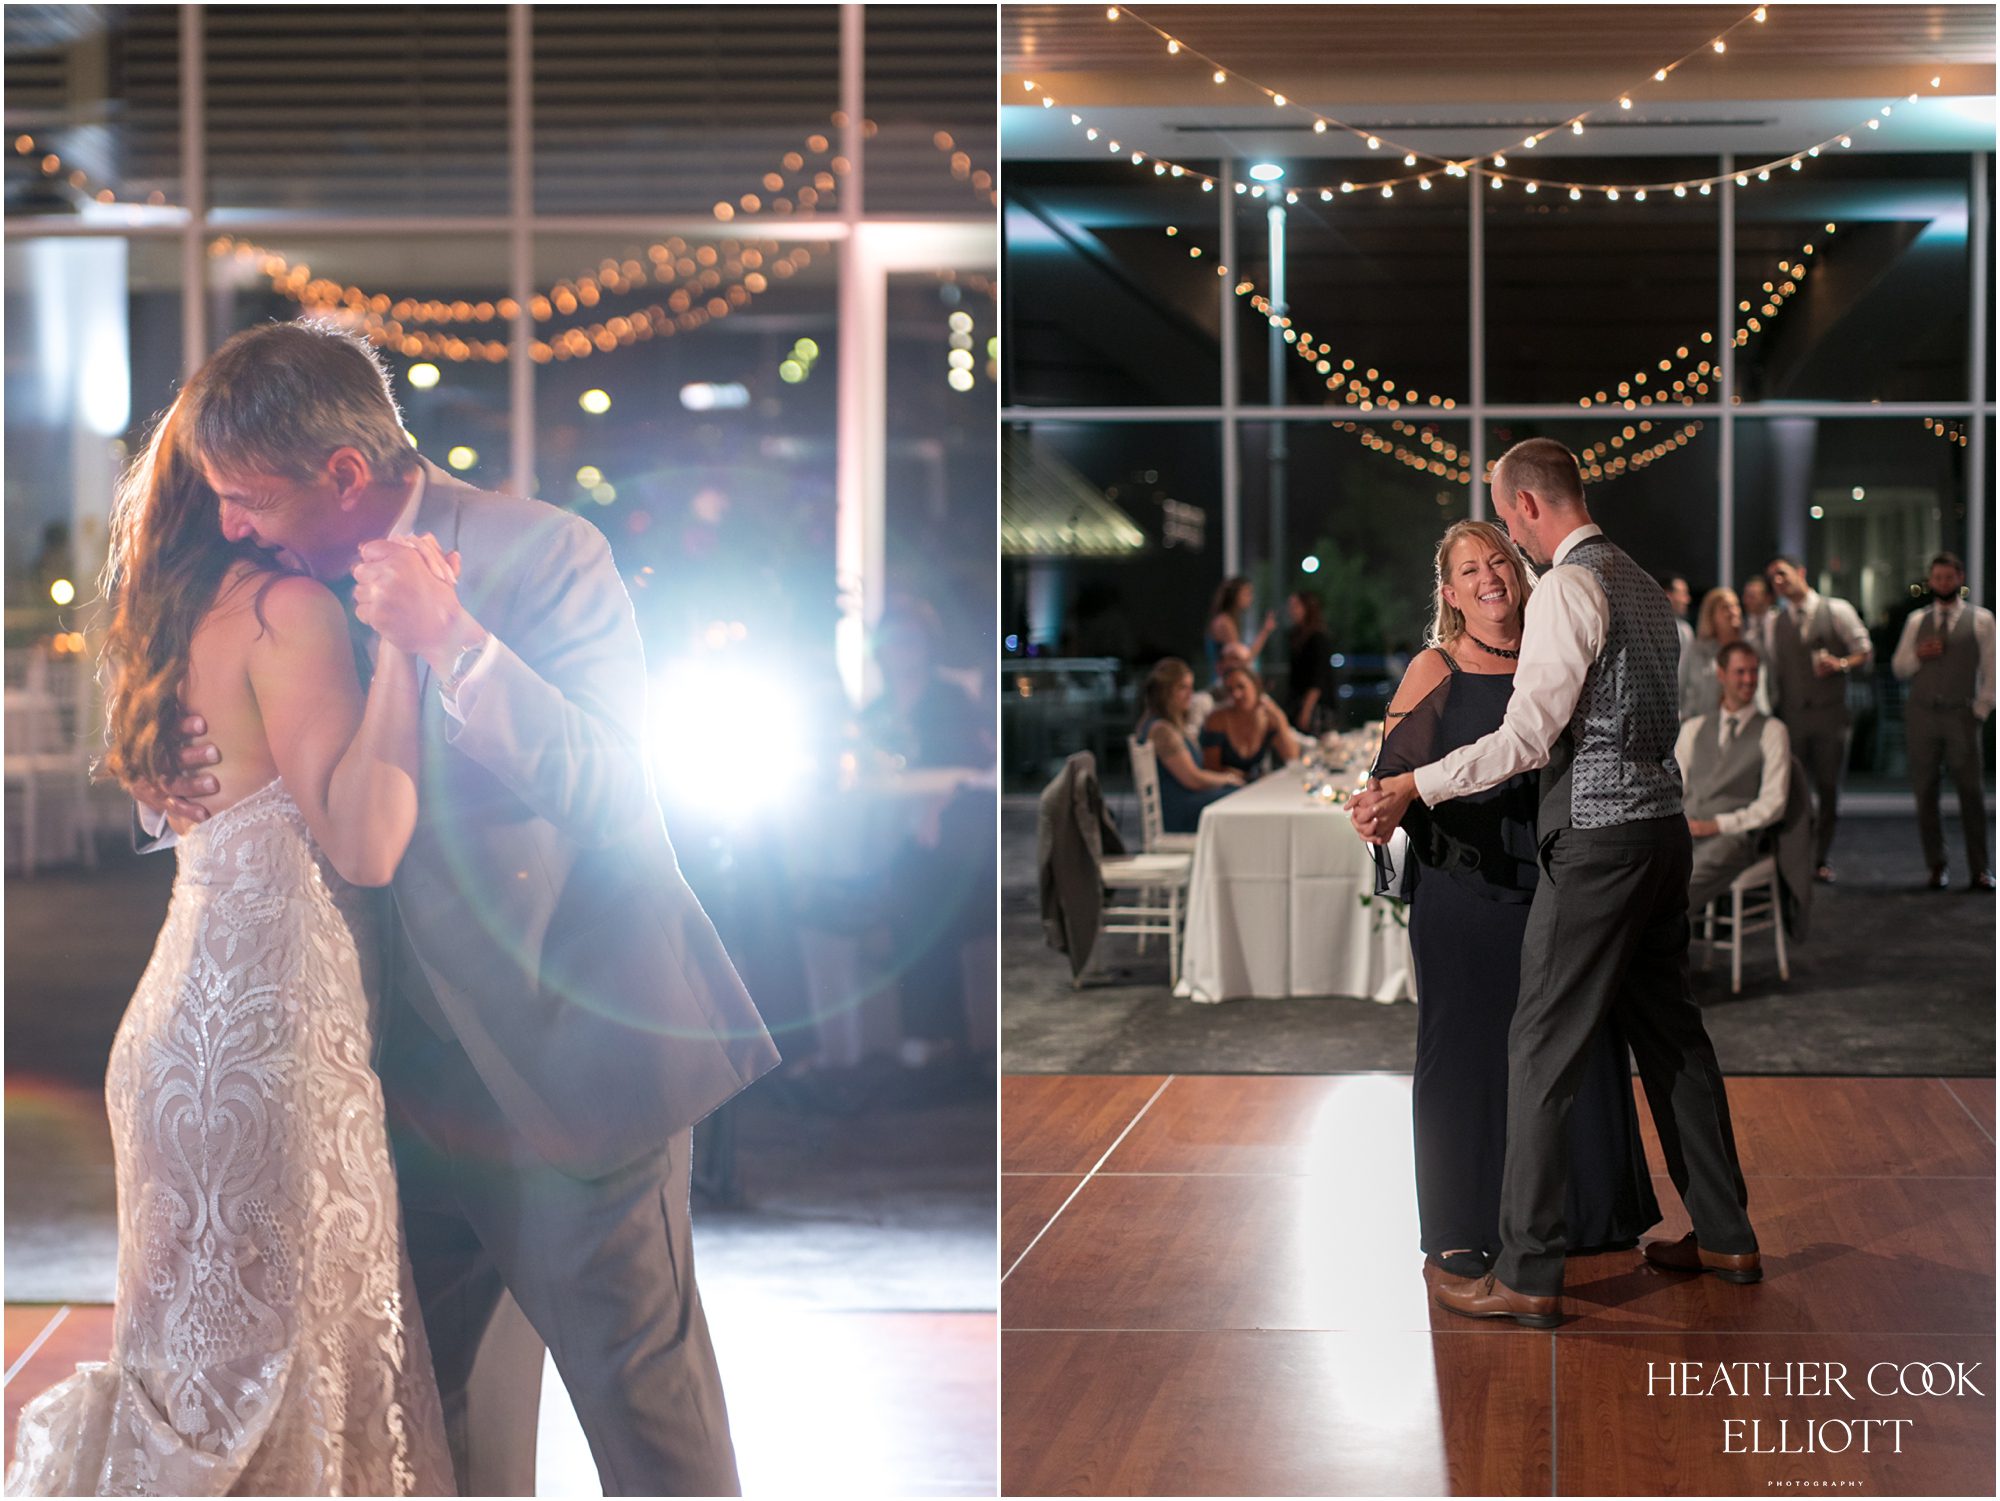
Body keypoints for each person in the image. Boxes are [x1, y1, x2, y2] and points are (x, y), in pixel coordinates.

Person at [115, 321, 778, 1495]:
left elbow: (620, 788)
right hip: (374, 1095)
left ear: (345, 475)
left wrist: (454, 645)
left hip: (566, 1071)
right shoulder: (266, 591)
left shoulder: (541, 551)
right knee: (440, 1436)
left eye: (253, 497)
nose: (231, 523)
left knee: (649, 1426)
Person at [7, 380, 454, 1492]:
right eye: (240, 496)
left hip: (172, 1033)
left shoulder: (167, 621)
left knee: (191, 1365)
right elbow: (364, 842)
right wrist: (404, 649)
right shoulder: (285, 616)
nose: (250, 516)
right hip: (270, 1035)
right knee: (294, 1357)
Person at [1352, 437, 1759, 1328]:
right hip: (1662, 834)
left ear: (1528, 508)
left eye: (1505, 521)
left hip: (1603, 844)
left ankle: (1530, 1272)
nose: (1505, 541)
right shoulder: (1645, 585)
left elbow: (1528, 739)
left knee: (1537, 1047)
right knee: (1673, 1038)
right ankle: (1727, 1234)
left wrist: (1417, 783)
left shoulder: (1571, 586)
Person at [1371, 519, 1658, 1280]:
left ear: (1520, 570)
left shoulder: (1556, 652)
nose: (1489, 575)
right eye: (1469, 569)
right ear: (1449, 594)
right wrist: (1379, 809)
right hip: (1464, 891)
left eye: (1498, 558)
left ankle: (1591, 1213)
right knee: (1462, 1052)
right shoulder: (1433, 669)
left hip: (1561, 883)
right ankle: (1462, 1219)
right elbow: (1388, 783)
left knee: (1580, 1047)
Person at [1890, 552, 1995, 891]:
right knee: (1925, 793)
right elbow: (1899, 668)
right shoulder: (1916, 621)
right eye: (1938, 578)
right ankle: (1936, 866)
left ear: (1959, 578)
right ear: (1931, 580)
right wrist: (1918, 655)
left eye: (1949, 578)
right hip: (1922, 715)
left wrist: (1979, 711)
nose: (1943, 584)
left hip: (1960, 715)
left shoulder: (1981, 621)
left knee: (1971, 794)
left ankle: (1980, 869)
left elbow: (1992, 673)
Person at [1765, 555, 1871, 883]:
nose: (1778, 582)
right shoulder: (1775, 622)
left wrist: (1840, 664)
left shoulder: (1837, 610)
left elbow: (1865, 651)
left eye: (1782, 574)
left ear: (1800, 572)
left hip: (1831, 716)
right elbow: (1773, 670)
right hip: (1794, 716)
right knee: (1795, 790)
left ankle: (1820, 858)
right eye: (1773, 578)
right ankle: (1796, 856)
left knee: (1828, 789)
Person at [1678, 641, 1792, 916]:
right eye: (1740, 672)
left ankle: (1653, 944)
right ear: (1721, 674)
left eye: (1754, 672)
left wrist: (1717, 824)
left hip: (1733, 838)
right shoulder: (1693, 729)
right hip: (1685, 831)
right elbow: (1674, 788)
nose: (1749, 680)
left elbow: (1773, 804)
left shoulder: (1773, 731)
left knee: (1677, 884)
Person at [1137, 657, 1243, 833]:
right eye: (1182, 688)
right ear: (1166, 691)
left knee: (1237, 794)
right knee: (1238, 797)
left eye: (1190, 687)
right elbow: (1193, 779)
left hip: (1185, 803)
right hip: (1178, 811)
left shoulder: (1165, 725)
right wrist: (1228, 779)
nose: (1190, 694)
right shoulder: (1162, 730)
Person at [1200, 662, 1299, 782]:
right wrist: (1232, 776)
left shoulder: (1269, 718)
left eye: (1241, 687)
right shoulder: (1217, 720)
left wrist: (1280, 719)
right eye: (1230, 690)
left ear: (1256, 685)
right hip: (1224, 787)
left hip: (1253, 787)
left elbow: (1292, 758)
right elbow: (1210, 769)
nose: (1236, 694)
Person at [1679, 587, 1745, 721]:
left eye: (1735, 606)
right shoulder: (1696, 650)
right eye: (1725, 607)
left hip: (1745, 728)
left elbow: (1769, 693)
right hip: (1702, 727)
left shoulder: (1751, 649)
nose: (1733, 612)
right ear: (1711, 615)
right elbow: (1679, 688)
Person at [1285, 590, 1337, 734]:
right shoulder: (1296, 636)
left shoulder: (1317, 638)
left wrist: (1306, 710)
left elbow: (1318, 678)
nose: (1291, 611)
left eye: (1295, 606)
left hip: (1316, 706)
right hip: (1298, 702)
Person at [1205, 575, 1274, 677]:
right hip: (1224, 681)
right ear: (1234, 596)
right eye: (1247, 593)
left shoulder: (1226, 620)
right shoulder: (1224, 622)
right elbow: (1244, 660)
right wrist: (1265, 631)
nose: (1251, 598)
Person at [1659, 571, 1695, 677]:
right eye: (1683, 594)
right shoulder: (1647, 627)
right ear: (1668, 595)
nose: (1687, 600)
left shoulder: (1686, 630)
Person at [1740, 573, 1779, 662]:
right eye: (1746, 596)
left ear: (1767, 598)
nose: (1746, 600)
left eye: (1752, 596)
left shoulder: (1779, 621)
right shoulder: (1742, 624)